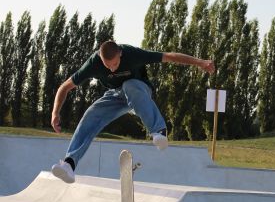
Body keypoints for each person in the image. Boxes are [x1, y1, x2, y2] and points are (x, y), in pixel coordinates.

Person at [51, 40, 215, 183]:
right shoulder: (93, 63)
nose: (112, 69)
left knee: (129, 85)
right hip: (115, 95)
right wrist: (55, 112)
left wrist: (200, 62)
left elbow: (169, 56)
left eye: (115, 64)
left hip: (140, 90)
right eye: (107, 66)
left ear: (120, 54)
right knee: (91, 114)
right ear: (101, 58)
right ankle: (69, 164)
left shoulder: (132, 54)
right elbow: (64, 87)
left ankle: (159, 130)